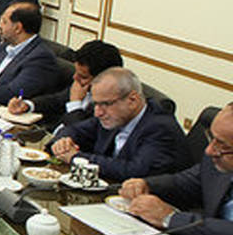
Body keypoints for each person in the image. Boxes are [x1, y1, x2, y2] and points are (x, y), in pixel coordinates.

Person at [121, 103, 233, 235]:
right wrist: (147, 185)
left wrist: (170, 218)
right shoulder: (216, 158)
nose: (209, 150)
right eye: (211, 137)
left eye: (223, 145)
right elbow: (186, 182)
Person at [48, 68, 188, 182]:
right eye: (96, 104)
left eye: (105, 104)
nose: (98, 113)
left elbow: (134, 171)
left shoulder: (160, 128)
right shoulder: (114, 115)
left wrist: (77, 158)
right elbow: (74, 129)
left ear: (132, 100)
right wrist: (63, 142)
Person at [7, 40, 122, 129]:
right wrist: (27, 105)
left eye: (83, 76)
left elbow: (83, 135)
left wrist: (75, 103)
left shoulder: (111, 109)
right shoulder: (81, 86)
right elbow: (56, 100)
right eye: (76, 72)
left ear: (105, 80)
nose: (75, 78)